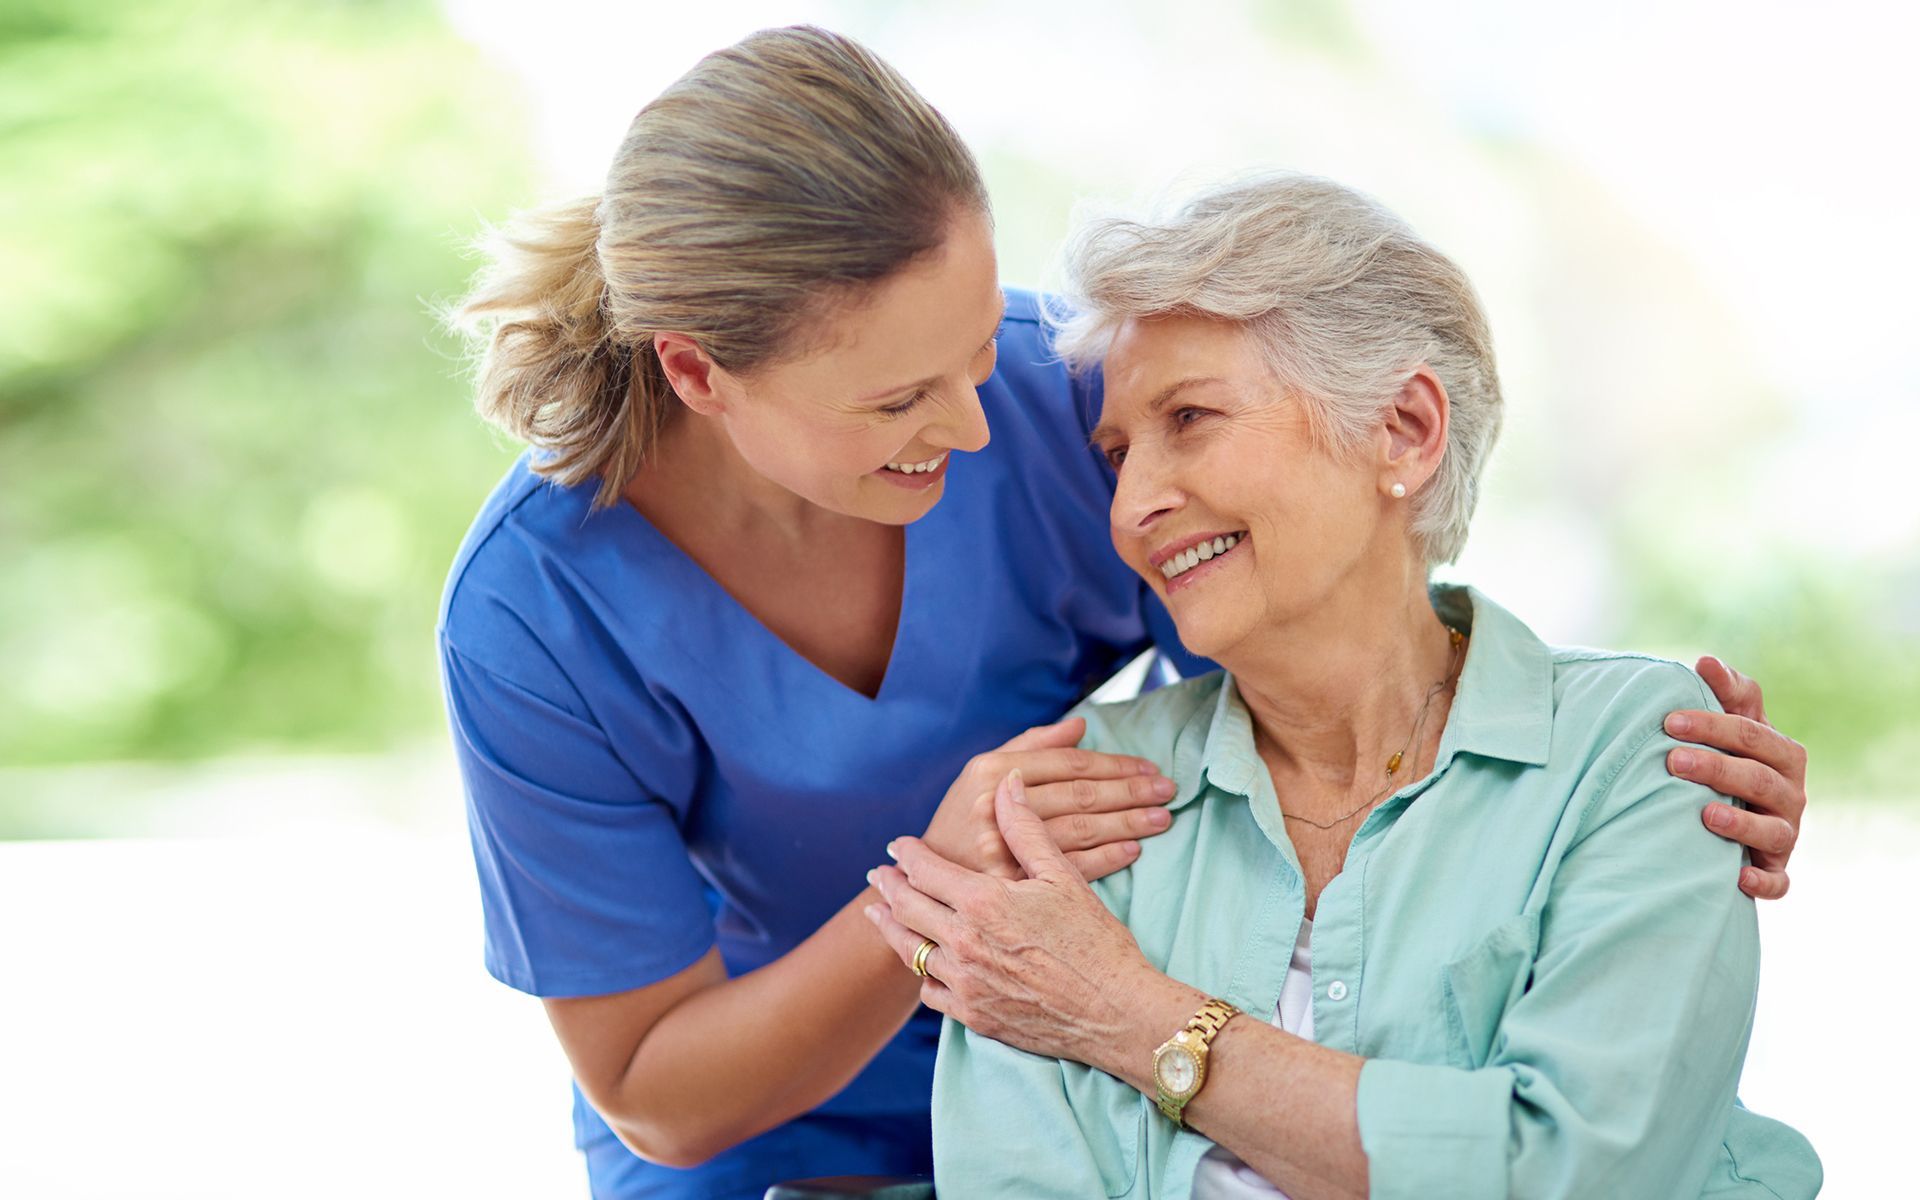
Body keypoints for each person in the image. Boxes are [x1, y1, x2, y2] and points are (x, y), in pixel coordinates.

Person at [440, 27, 1812, 1200]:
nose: (982, 423)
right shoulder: (538, 608)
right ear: (699, 373)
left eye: (981, 349)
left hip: (1130, 1061)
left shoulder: (1062, 405)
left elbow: (1335, 614)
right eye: (902, 399)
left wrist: (1620, 764)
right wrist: (954, 894)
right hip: (786, 1132)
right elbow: (655, 1086)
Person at [866, 174, 1822, 1198]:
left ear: (1405, 428)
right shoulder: (1080, 795)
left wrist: (1128, 1013)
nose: (1135, 504)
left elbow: (1575, 1172)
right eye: (1116, 454)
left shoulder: (1644, 751)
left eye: (1190, 417)